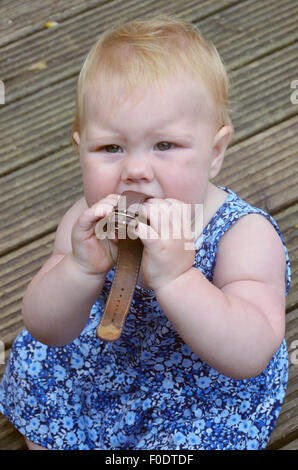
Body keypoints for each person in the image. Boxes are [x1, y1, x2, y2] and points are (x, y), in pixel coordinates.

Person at [0, 14, 290, 450]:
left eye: (165, 145)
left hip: (199, 390)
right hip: (105, 360)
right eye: (110, 148)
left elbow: (250, 353)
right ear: (80, 150)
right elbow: (45, 327)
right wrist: (78, 269)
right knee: (33, 367)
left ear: (214, 152)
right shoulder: (88, 220)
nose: (135, 170)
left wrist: (178, 280)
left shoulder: (242, 235)